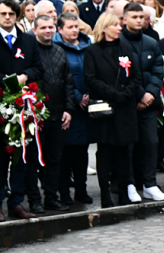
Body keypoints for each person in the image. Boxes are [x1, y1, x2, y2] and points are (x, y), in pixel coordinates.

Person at [83, 13, 141, 207]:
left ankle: (124, 192)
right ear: (105, 27)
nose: (119, 28)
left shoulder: (125, 48)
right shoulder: (92, 51)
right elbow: (91, 78)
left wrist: (125, 94)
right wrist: (114, 94)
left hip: (125, 108)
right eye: (115, 25)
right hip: (105, 109)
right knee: (105, 153)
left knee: (124, 153)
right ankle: (105, 194)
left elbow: (136, 76)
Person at [0, 0, 46, 221]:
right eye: (3, 14)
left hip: (23, 106)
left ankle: (15, 202)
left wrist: (25, 76)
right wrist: (8, 81)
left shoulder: (28, 40)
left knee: (21, 157)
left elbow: (38, 68)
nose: (7, 17)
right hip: (1, 105)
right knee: (1, 158)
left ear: (17, 16)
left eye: (11, 14)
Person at [25, 15, 76, 213]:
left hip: (58, 115)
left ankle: (51, 198)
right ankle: (34, 200)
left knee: (54, 160)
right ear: (35, 30)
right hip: (35, 116)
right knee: (33, 160)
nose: (48, 30)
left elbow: (68, 82)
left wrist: (69, 109)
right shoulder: (30, 53)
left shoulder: (59, 51)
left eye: (50, 27)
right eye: (43, 27)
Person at [121, 2, 164, 202]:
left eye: (141, 17)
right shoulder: (119, 42)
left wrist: (151, 93)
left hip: (149, 103)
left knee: (151, 143)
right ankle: (130, 184)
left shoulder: (151, 42)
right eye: (134, 17)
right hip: (128, 103)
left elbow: (158, 70)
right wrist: (140, 94)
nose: (139, 21)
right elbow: (125, 74)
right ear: (125, 19)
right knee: (129, 146)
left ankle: (150, 184)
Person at [54, 12, 93, 205]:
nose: (74, 30)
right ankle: (64, 192)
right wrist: (77, 97)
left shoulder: (87, 46)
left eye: (76, 26)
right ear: (60, 29)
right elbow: (60, 78)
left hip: (87, 108)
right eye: (69, 27)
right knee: (66, 152)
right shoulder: (56, 49)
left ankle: (81, 189)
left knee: (82, 152)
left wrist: (89, 95)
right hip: (67, 106)